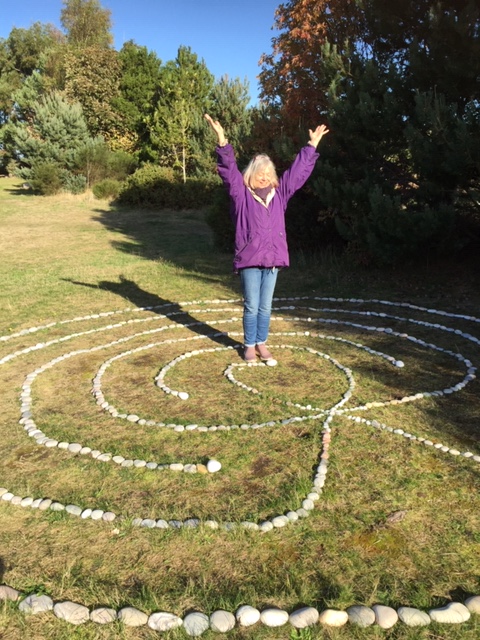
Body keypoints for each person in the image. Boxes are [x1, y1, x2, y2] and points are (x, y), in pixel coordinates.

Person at [205, 113, 329, 365]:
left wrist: (312, 146)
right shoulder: (241, 194)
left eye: (267, 172)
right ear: (250, 174)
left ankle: (262, 342)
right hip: (250, 258)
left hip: (273, 259)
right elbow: (229, 172)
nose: (263, 176)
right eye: (259, 172)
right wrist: (222, 141)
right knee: (252, 305)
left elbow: (297, 174)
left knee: (265, 306)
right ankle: (249, 345)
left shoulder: (279, 194)